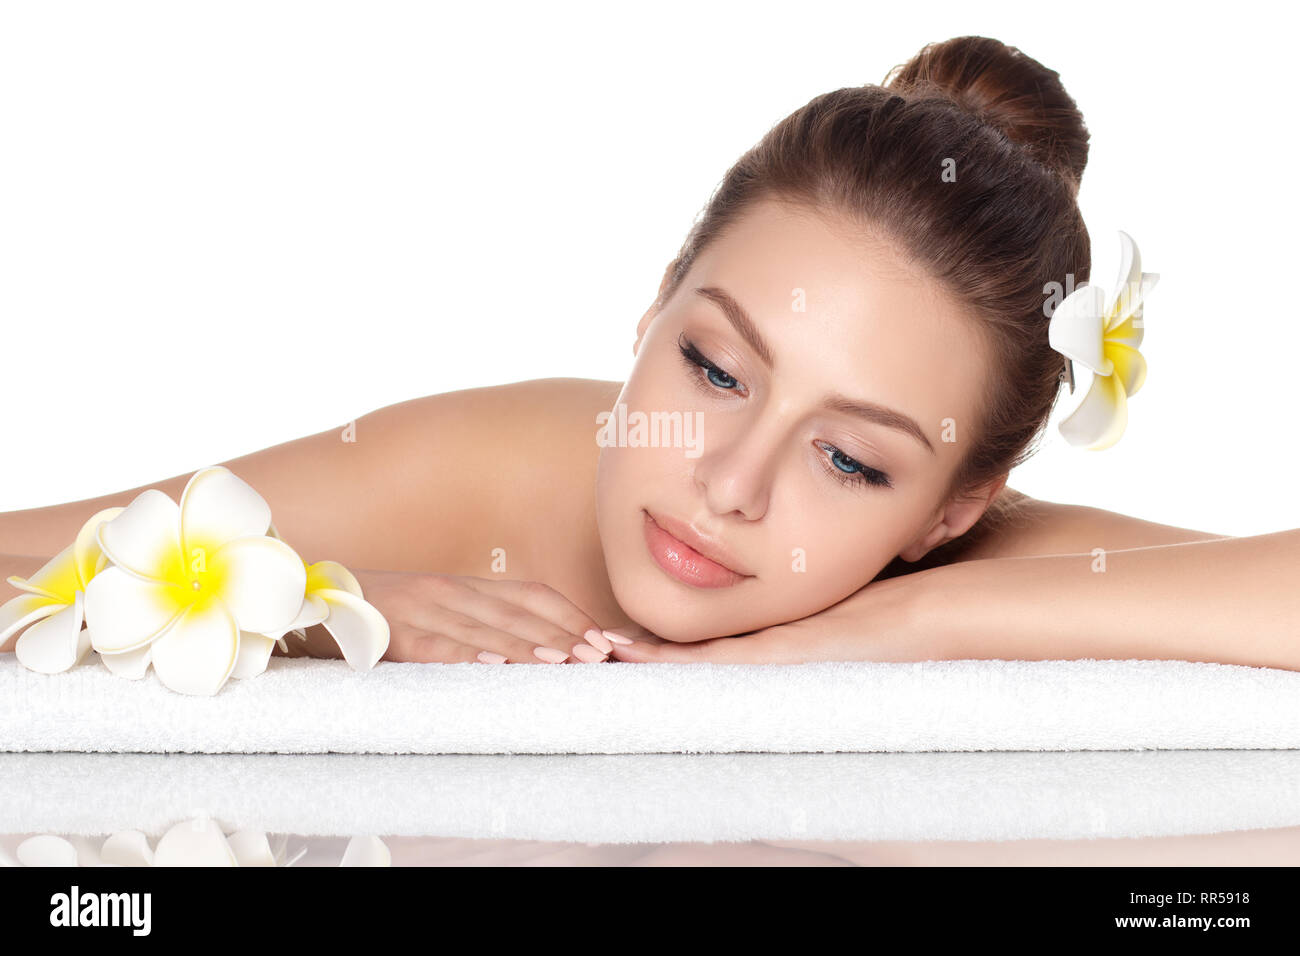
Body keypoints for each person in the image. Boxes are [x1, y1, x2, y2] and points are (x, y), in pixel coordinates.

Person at [2, 36, 1296, 671]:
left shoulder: (954, 566)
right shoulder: (510, 470)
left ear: (956, 511)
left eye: (849, 460)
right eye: (716, 371)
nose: (728, 482)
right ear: (652, 310)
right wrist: (328, 606)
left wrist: (911, 622)